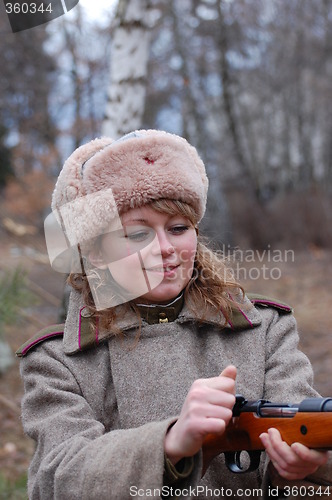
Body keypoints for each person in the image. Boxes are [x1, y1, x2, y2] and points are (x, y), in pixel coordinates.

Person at [17, 130, 332, 499]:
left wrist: (304, 471)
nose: (165, 249)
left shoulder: (265, 329)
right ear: (96, 252)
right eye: (137, 235)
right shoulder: (56, 360)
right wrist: (168, 443)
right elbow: (56, 480)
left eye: (178, 228)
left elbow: (306, 458)